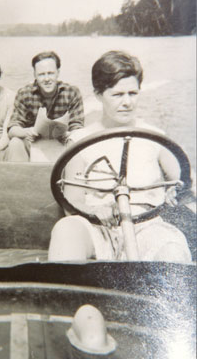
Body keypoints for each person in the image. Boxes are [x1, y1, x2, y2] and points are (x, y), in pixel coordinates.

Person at [48, 50, 192, 263]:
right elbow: (73, 201)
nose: (127, 102)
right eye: (117, 95)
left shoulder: (156, 139)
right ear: (98, 95)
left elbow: (186, 183)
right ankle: (66, 295)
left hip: (147, 228)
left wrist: (176, 190)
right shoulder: (80, 140)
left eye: (133, 93)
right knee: (66, 230)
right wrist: (96, 209)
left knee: (173, 248)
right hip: (98, 228)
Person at [8, 51, 84, 161]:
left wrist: (68, 134)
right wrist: (28, 131)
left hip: (62, 145)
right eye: (41, 74)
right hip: (33, 145)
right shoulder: (24, 94)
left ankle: (71, 175)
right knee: (15, 142)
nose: (47, 79)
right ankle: (20, 177)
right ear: (35, 75)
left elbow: (78, 127)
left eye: (50, 73)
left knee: (76, 141)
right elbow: (12, 129)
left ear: (58, 72)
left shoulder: (72, 92)